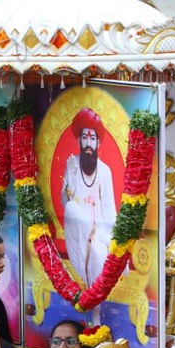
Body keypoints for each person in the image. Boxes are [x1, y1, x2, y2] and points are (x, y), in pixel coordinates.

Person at [61, 108, 117, 286]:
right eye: (84, 137)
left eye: (92, 138)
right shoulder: (71, 165)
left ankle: (95, 305)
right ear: (78, 140)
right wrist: (70, 180)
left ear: (98, 143)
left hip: (100, 233)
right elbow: (65, 205)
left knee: (99, 253)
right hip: (78, 233)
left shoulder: (105, 171)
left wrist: (115, 238)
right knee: (71, 208)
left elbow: (109, 208)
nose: (88, 143)